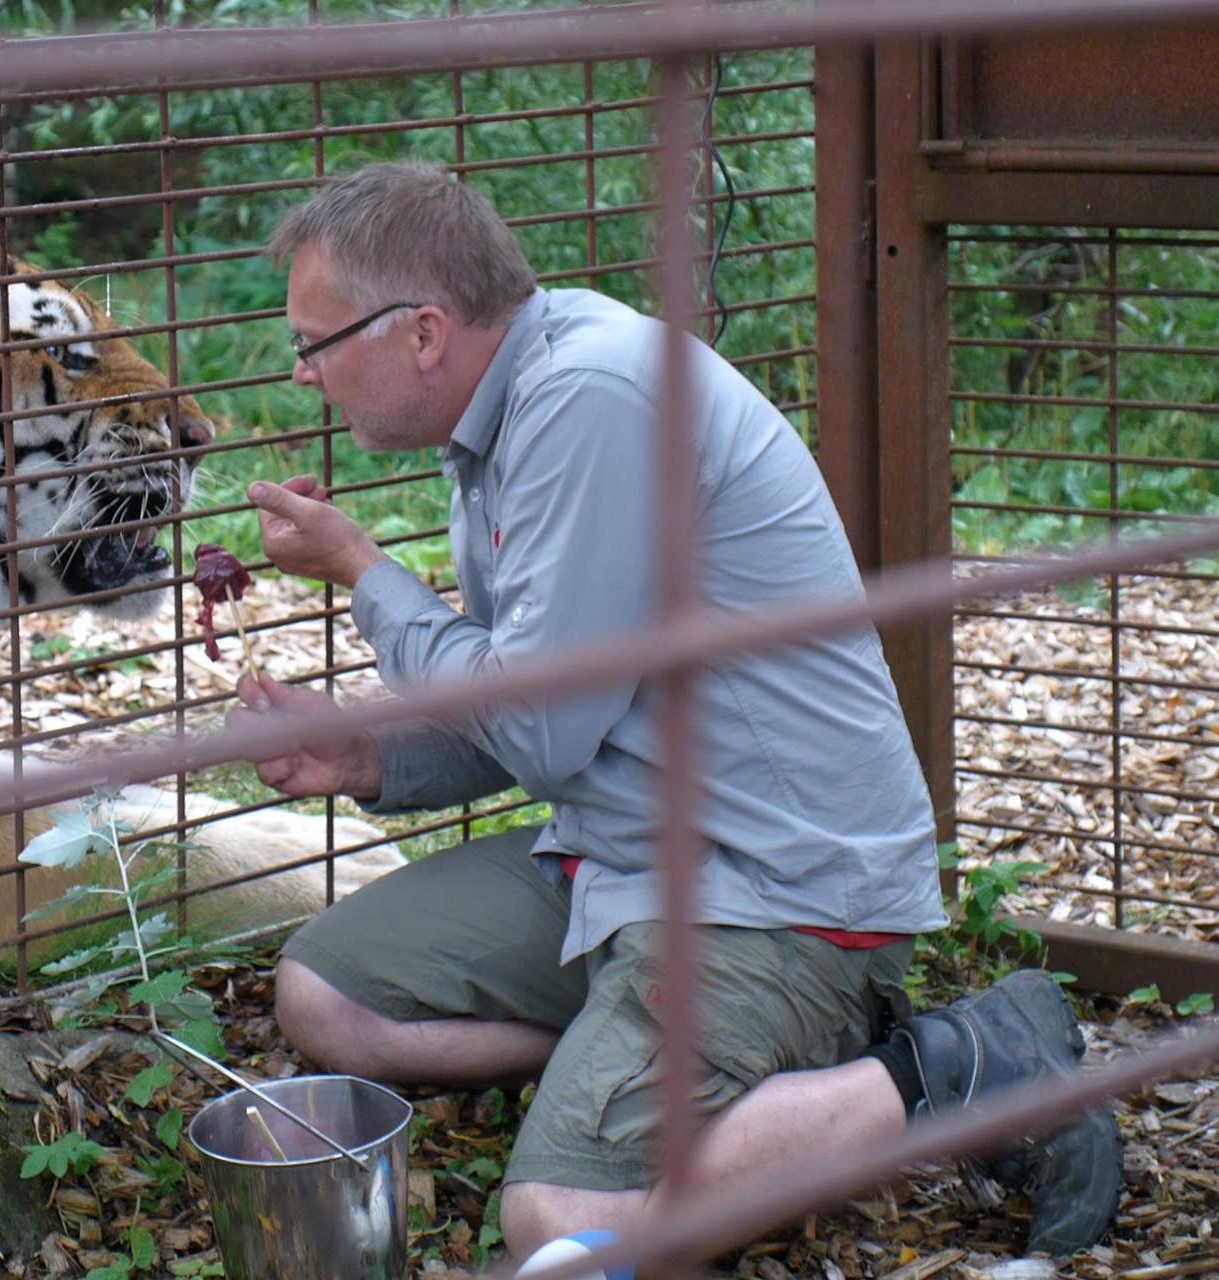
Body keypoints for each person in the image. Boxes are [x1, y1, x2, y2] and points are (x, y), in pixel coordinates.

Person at [226, 162, 1122, 1269]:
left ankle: (957, 1062)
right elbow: (540, 705)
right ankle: (685, 1067)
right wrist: (367, 752)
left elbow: (540, 724)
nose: (307, 375)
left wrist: (364, 572)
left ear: (422, 332)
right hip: (621, 855)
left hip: (775, 890)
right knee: (326, 999)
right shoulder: (503, 417)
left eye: (317, 344)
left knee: (562, 1222)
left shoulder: (591, 400)